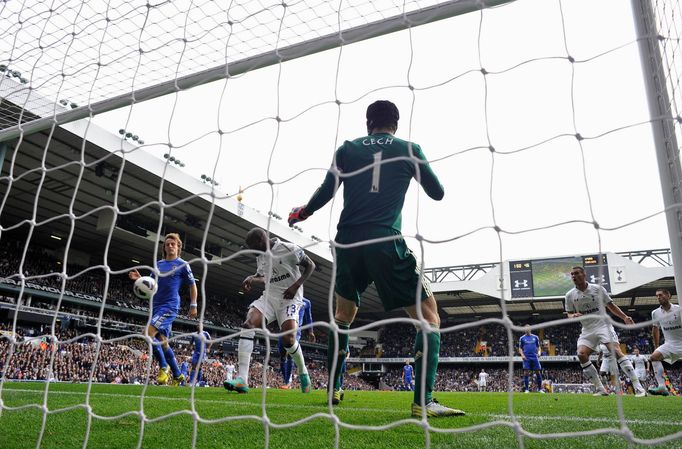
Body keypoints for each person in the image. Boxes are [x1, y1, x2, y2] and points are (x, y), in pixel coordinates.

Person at [288, 100, 463, 417]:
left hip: (346, 242)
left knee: (343, 315)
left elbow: (328, 189)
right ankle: (423, 402)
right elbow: (437, 193)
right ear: (396, 123)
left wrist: (303, 212)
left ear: (368, 123)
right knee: (429, 318)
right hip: (384, 239)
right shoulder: (410, 148)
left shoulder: (347, 149)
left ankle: (334, 388)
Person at [223, 227, 316, 394]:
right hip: (269, 298)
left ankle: (302, 371)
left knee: (288, 339)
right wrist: (252, 278)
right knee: (248, 324)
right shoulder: (261, 257)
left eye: (252, 245)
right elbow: (265, 276)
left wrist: (296, 286)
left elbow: (310, 265)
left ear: (261, 240)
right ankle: (242, 380)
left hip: (290, 298)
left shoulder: (288, 249)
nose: (252, 250)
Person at [564, 266, 646, 397]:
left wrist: (625, 317)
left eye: (577, 273)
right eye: (572, 274)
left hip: (603, 325)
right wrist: (572, 316)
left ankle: (639, 388)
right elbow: (568, 313)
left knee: (616, 351)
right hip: (587, 329)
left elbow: (611, 306)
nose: (574, 276)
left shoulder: (597, 289)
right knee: (581, 354)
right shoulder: (569, 295)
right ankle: (600, 388)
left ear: (584, 274)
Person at [129, 232, 198, 386]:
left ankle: (164, 367)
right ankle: (178, 375)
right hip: (156, 306)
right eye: (167, 244)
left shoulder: (182, 265)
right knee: (163, 342)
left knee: (147, 333)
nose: (170, 246)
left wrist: (194, 304)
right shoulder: (158, 265)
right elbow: (150, 284)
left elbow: (192, 285)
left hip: (170, 306)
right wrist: (139, 279)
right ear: (164, 248)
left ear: (178, 247)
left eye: (173, 244)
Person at [648, 288, 682, 396]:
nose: (658, 297)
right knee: (653, 357)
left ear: (669, 296)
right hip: (670, 344)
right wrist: (656, 346)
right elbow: (655, 328)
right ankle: (662, 387)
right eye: (657, 295)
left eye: (661, 295)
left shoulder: (679, 309)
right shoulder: (655, 313)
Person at [279, 297, 315, 389]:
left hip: (296, 331)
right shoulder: (286, 298)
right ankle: (286, 380)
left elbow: (309, 317)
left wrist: (311, 332)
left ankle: (288, 383)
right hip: (283, 330)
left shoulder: (306, 302)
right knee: (283, 356)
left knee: (291, 354)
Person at [518, 325, 544, 393]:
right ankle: (526, 389)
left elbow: (538, 347)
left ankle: (540, 389)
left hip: (534, 357)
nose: (526, 330)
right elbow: (520, 348)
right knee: (526, 372)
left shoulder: (535, 337)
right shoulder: (522, 338)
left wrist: (539, 352)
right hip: (526, 357)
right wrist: (522, 355)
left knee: (538, 372)